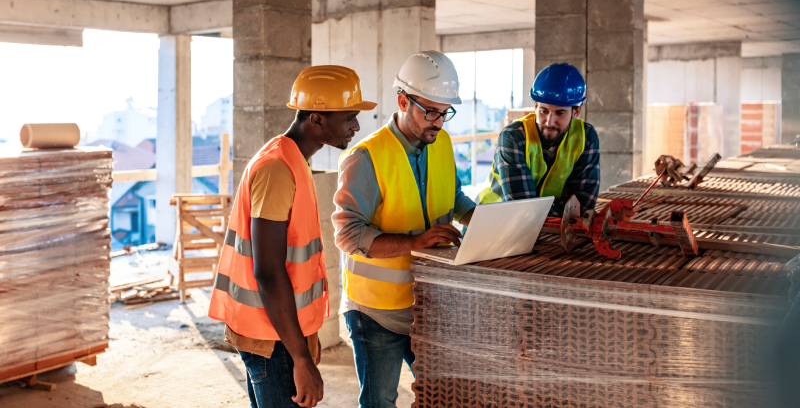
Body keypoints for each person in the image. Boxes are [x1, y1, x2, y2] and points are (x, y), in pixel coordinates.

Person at [208, 65, 376, 408]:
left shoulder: (294, 160)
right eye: (349, 117)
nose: (356, 126)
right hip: (270, 338)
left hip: (281, 330)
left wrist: (305, 340)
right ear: (316, 119)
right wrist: (300, 358)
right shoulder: (277, 170)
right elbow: (268, 271)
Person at [332, 50, 476, 408]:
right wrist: (415, 242)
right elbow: (348, 234)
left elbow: (452, 196)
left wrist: (481, 219)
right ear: (402, 101)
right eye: (431, 111)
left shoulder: (440, 142)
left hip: (430, 304)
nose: (439, 123)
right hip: (376, 312)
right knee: (380, 402)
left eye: (445, 112)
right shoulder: (366, 158)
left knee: (442, 397)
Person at [478, 63, 600, 217]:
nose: (549, 122)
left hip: (545, 229)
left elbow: (583, 206)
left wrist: (573, 215)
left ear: (576, 111)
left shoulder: (585, 137)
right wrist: (568, 214)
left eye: (560, 113)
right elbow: (524, 209)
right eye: (544, 111)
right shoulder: (513, 137)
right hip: (491, 224)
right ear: (535, 107)